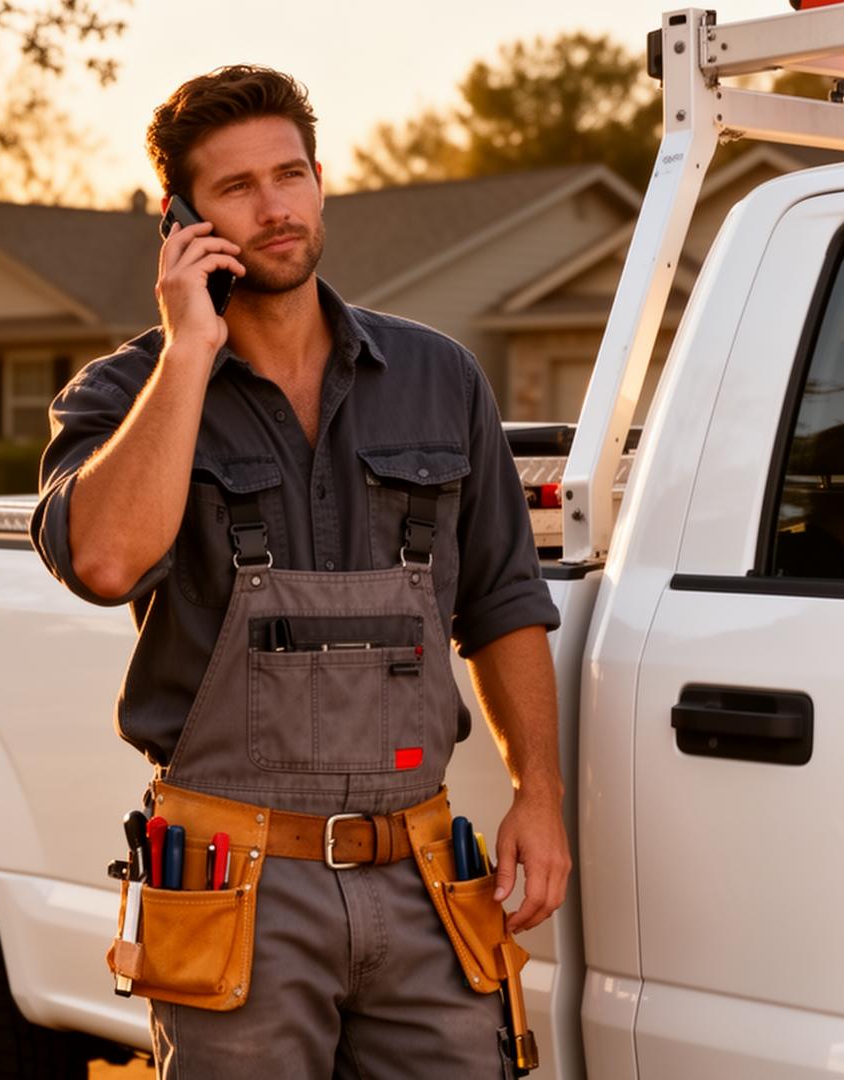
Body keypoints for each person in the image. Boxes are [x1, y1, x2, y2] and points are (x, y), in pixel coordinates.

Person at [28, 65, 568, 1078]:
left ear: (321, 180)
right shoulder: (124, 395)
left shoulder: (437, 377)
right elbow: (104, 561)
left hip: (422, 877)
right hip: (235, 890)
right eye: (236, 187)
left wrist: (540, 793)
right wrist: (192, 351)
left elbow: (501, 601)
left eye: (291, 175)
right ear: (180, 216)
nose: (273, 209)